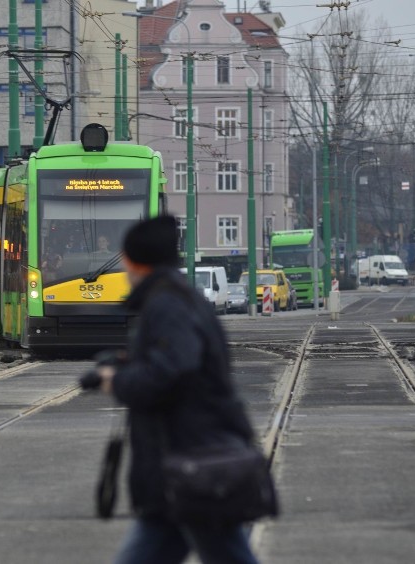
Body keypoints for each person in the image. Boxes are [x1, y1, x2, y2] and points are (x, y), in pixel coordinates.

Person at [80, 215, 259, 564]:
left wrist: (116, 381)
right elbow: (176, 358)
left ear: (132, 261)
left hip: (192, 463)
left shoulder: (167, 303)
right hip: (182, 467)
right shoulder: (179, 298)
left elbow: (173, 369)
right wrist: (127, 362)